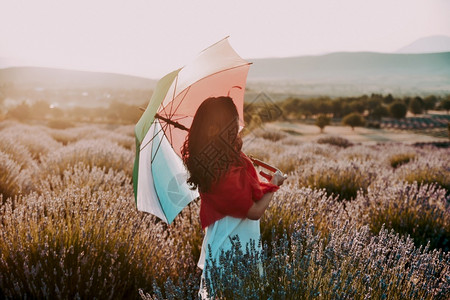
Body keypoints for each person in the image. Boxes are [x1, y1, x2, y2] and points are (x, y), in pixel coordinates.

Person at [181, 96, 286, 298]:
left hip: (234, 244)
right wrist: (274, 185)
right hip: (232, 249)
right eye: (233, 121)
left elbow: (246, 189)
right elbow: (254, 211)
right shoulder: (222, 170)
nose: (238, 125)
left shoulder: (216, 160)